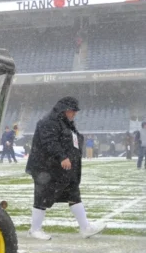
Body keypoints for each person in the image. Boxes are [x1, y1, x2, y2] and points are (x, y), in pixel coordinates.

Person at [25, 97, 105, 240]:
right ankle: (35, 229)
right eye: (72, 111)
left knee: (73, 194)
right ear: (63, 110)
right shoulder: (48, 123)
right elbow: (50, 142)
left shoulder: (66, 124)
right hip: (46, 168)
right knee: (43, 196)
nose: (74, 114)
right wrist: (62, 156)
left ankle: (85, 227)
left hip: (63, 169)